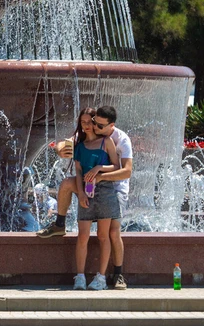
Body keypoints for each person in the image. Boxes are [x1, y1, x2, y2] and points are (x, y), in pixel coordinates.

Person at [38, 105, 132, 290]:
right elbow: (68, 146)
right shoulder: (85, 138)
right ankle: (59, 224)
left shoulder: (120, 139)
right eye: (92, 122)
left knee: (112, 232)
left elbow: (125, 170)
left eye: (99, 124)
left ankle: (117, 274)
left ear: (111, 126)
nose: (94, 126)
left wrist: (99, 174)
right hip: (88, 186)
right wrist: (59, 148)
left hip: (113, 187)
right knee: (66, 185)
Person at [68, 108, 121, 290]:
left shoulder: (106, 142)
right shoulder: (79, 146)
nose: (87, 125)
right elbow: (78, 171)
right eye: (83, 122)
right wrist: (80, 192)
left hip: (105, 191)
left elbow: (116, 166)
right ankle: (80, 276)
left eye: (90, 121)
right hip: (86, 192)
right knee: (83, 235)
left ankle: (101, 278)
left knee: (103, 236)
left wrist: (99, 168)